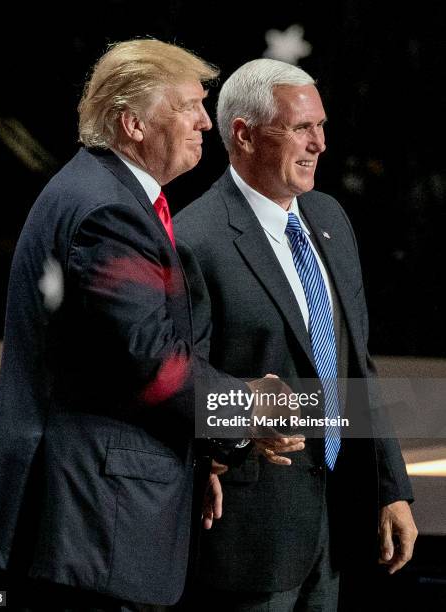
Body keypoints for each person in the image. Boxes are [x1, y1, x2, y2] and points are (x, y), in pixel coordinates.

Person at [0, 39, 278, 610]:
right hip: (88, 531)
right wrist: (246, 409)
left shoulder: (101, 192)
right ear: (132, 123)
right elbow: (151, 362)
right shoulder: (110, 212)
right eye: (188, 106)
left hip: (83, 525)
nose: (206, 120)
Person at [174, 59, 418, 611]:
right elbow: (183, 386)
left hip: (338, 524)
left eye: (322, 126)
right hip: (248, 536)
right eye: (302, 128)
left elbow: (356, 364)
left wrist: (391, 488)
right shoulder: (195, 239)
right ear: (243, 134)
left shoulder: (329, 217)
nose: (320, 144)